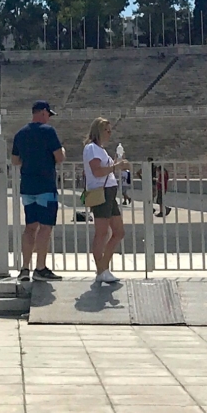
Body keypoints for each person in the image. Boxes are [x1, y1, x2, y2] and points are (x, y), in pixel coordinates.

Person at [11, 100, 65, 281]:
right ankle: (40, 268)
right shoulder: (48, 131)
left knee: (30, 227)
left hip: (27, 186)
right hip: (45, 186)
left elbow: (15, 160)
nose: (49, 118)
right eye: (48, 114)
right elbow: (60, 157)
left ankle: (24, 268)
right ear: (42, 112)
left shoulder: (21, 133)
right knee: (45, 228)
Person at [82, 117, 129, 287]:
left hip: (109, 191)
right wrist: (116, 166)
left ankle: (103, 268)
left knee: (119, 231)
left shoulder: (99, 149)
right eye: (106, 130)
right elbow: (97, 171)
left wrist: (117, 163)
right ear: (98, 132)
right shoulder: (92, 148)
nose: (109, 134)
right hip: (101, 192)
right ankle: (101, 270)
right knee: (101, 233)